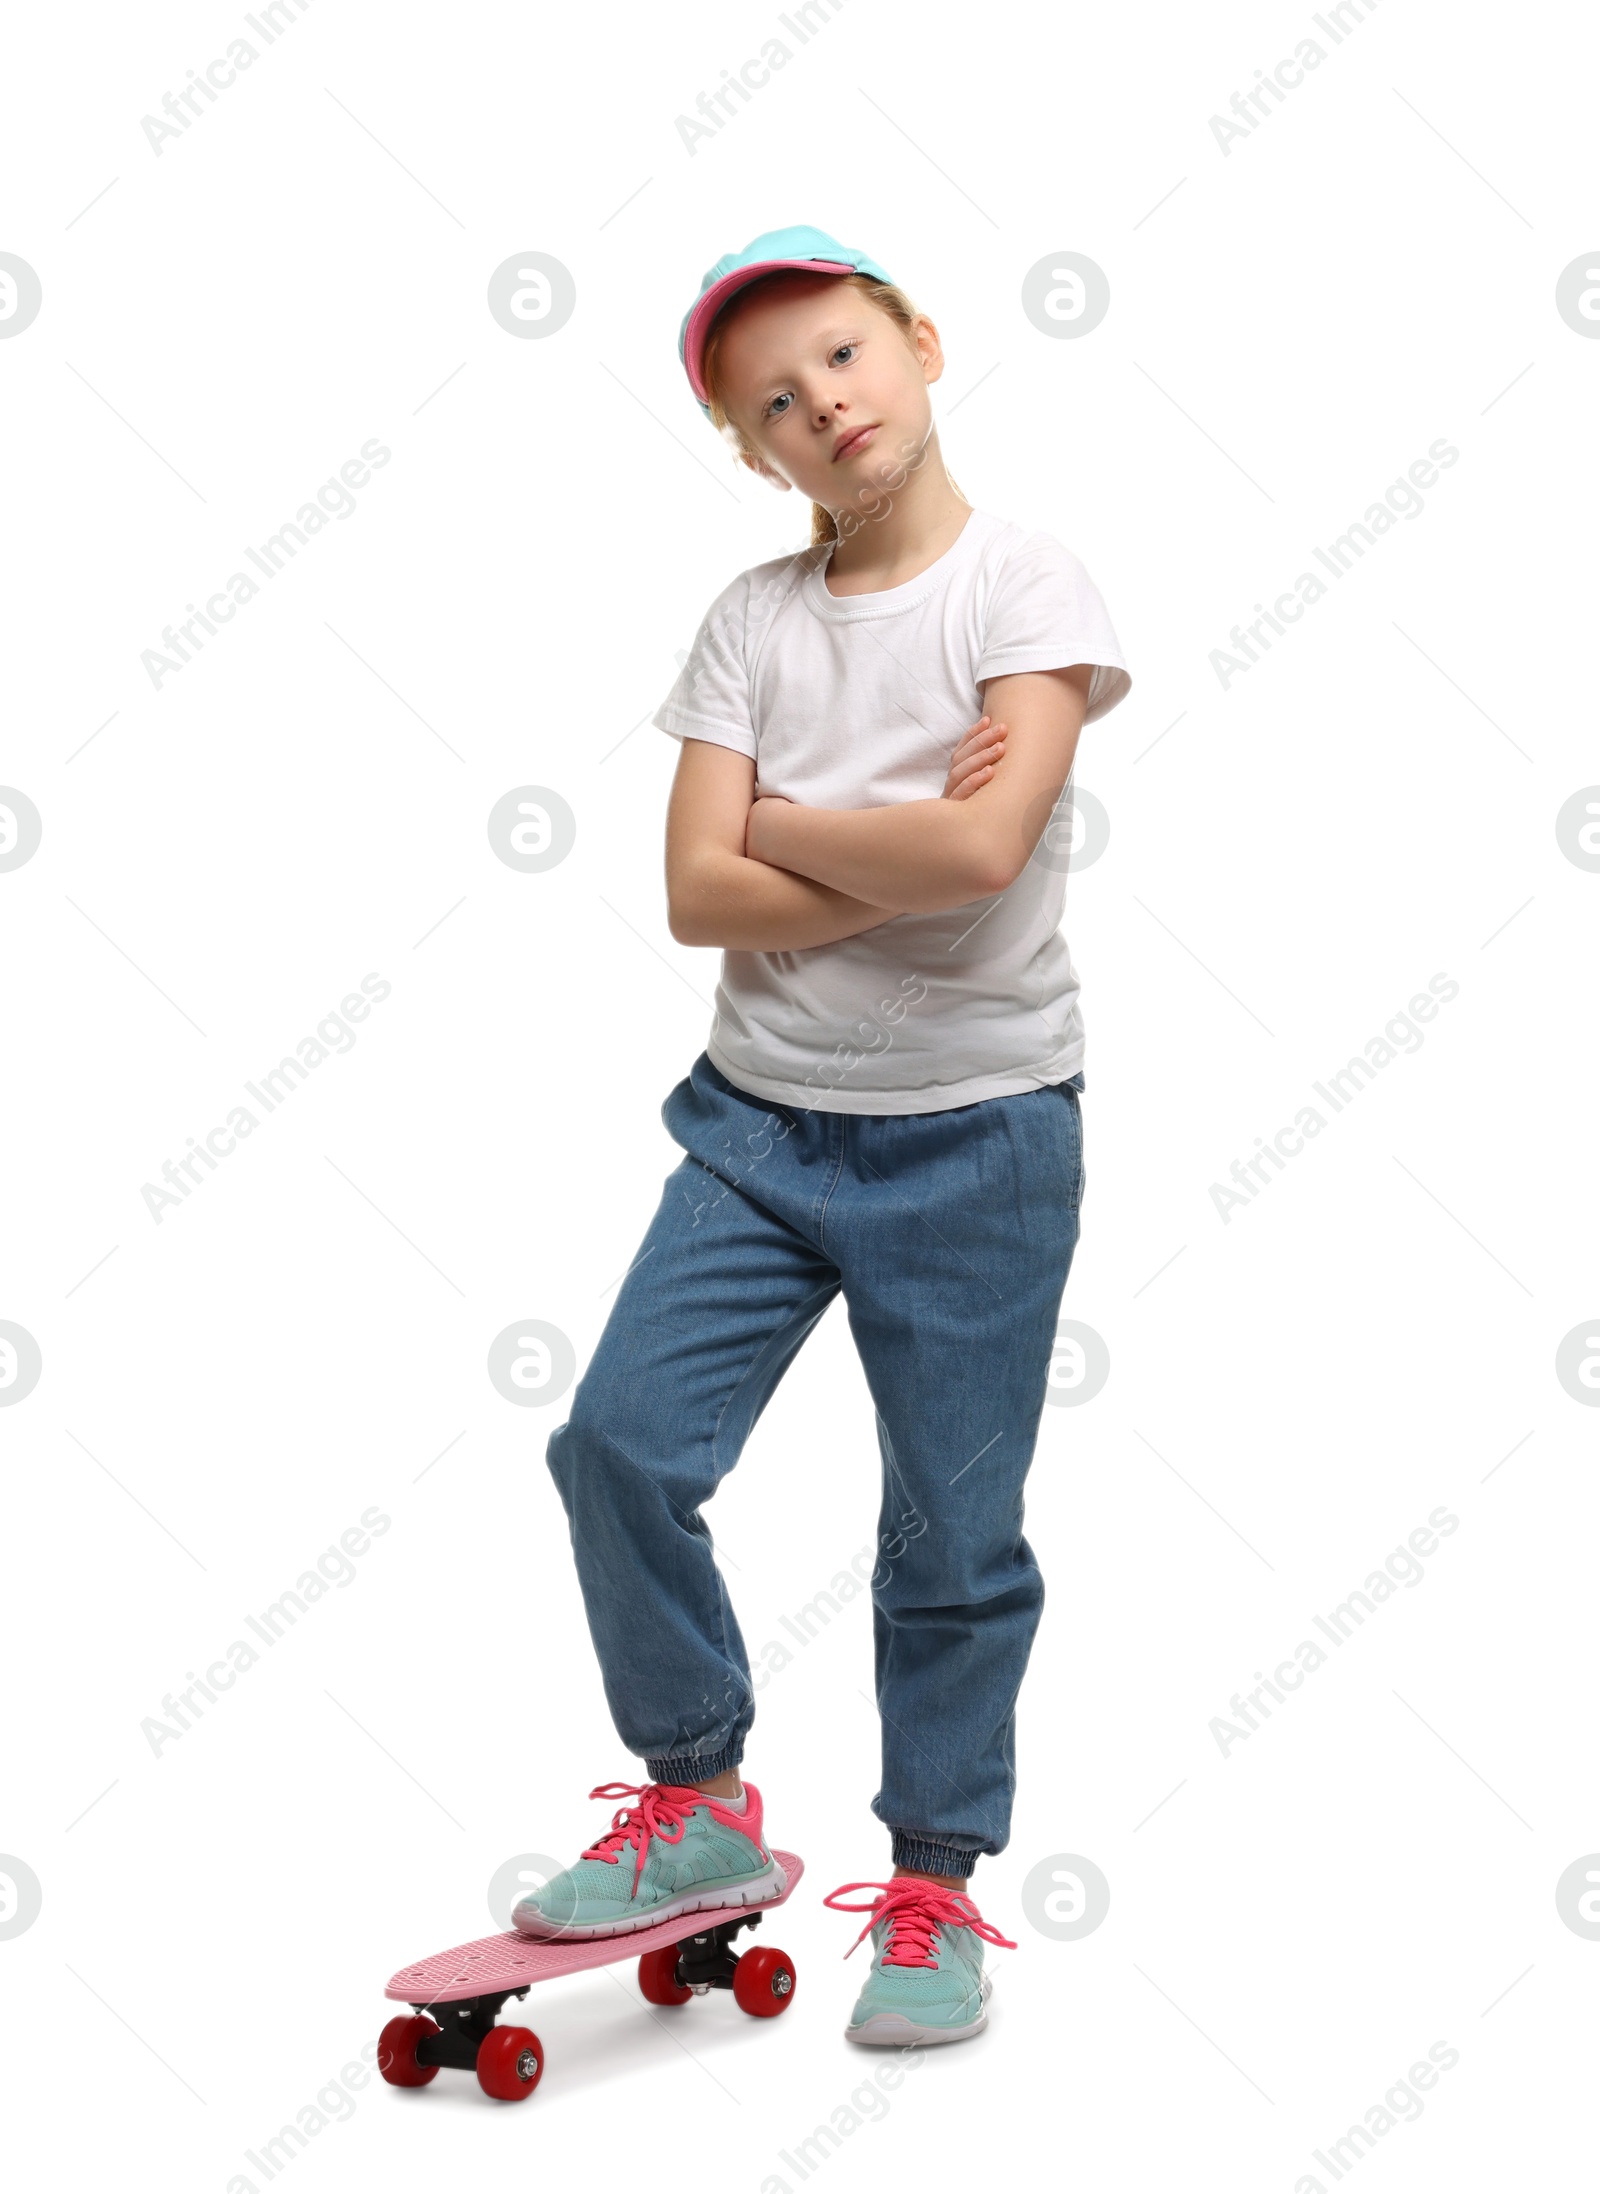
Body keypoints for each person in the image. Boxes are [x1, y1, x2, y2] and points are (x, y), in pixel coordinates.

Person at [514, 225, 1132, 2048]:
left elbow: (981, 856)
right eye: (776, 403)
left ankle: (933, 1887)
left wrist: (790, 818)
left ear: (922, 344)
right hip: (762, 1131)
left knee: (947, 1530)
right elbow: (703, 897)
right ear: (753, 450)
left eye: (846, 360)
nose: (825, 407)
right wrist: (863, 834)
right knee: (618, 1443)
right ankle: (699, 1801)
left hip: (982, 1138)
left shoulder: (1027, 587)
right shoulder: (752, 623)